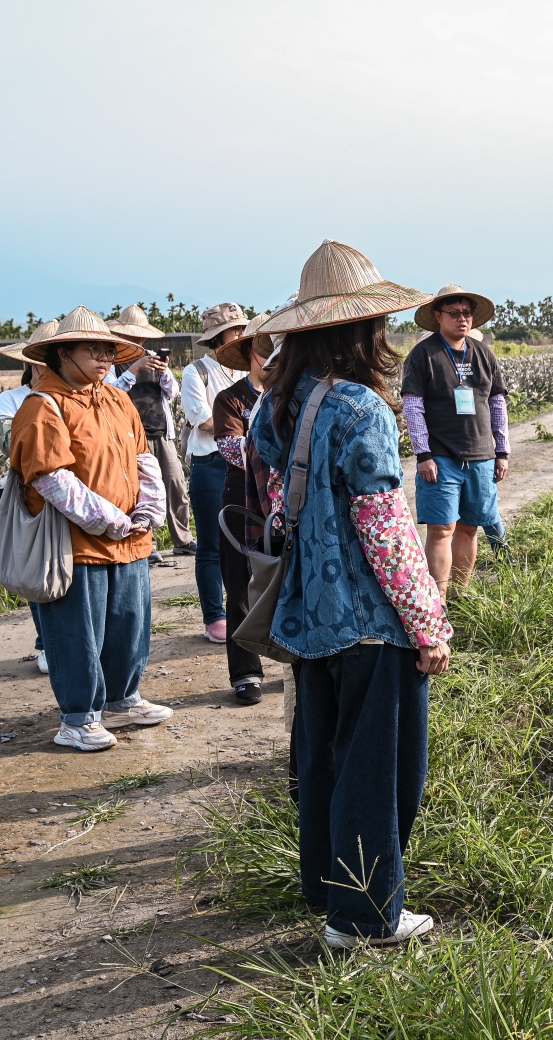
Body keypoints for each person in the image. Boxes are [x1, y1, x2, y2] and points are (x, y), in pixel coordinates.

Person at [251, 240, 451, 949]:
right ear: (366, 328)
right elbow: (386, 529)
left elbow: (280, 505)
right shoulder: (361, 408)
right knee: (380, 768)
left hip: (310, 615)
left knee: (325, 759)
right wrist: (429, 623)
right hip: (371, 622)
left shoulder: (276, 403)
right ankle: (364, 918)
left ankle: (332, 892)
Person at [7, 306, 173, 753]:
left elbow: (143, 458)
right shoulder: (44, 406)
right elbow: (50, 478)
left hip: (130, 538)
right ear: (63, 353)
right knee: (78, 633)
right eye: (92, 349)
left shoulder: (117, 399)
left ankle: (122, 698)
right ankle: (78, 718)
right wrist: (111, 520)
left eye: (108, 350)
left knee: (129, 623)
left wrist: (149, 510)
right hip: (77, 542)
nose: (104, 357)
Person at [401, 284, 510, 597]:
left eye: (466, 313)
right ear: (438, 316)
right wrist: (422, 454)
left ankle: (460, 595)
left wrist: (502, 451)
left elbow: (497, 404)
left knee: (469, 528)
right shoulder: (424, 355)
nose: (462, 319)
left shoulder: (484, 354)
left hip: (481, 456)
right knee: (440, 529)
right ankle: (439, 601)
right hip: (441, 457)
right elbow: (413, 407)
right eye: (454, 313)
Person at [0, 319, 59, 673]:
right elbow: (11, 443)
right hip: (30, 498)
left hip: (72, 498)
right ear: (29, 361)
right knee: (39, 571)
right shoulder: (11, 400)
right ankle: (45, 642)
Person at [210, 314, 274, 705]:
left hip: (288, 499)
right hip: (242, 499)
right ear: (251, 351)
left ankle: (300, 661)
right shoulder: (231, 399)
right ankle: (246, 673)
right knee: (239, 588)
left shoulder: (294, 393)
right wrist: (279, 450)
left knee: (291, 581)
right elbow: (231, 449)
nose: (270, 356)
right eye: (264, 347)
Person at [106, 304, 194, 559]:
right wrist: (135, 369)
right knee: (139, 491)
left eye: (140, 335)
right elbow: (113, 393)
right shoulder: (114, 362)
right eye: (133, 335)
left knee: (175, 484)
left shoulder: (152, 356)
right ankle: (148, 545)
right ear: (122, 335)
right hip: (132, 436)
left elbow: (172, 392)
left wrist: (164, 372)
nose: (138, 340)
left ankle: (183, 538)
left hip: (160, 431)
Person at [181, 303, 246, 642]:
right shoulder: (197, 372)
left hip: (246, 462)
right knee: (210, 544)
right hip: (211, 463)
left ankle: (244, 610)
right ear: (218, 338)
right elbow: (203, 421)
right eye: (236, 331)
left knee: (245, 540)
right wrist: (240, 428)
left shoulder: (247, 369)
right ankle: (214, 616)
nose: (242, 337)